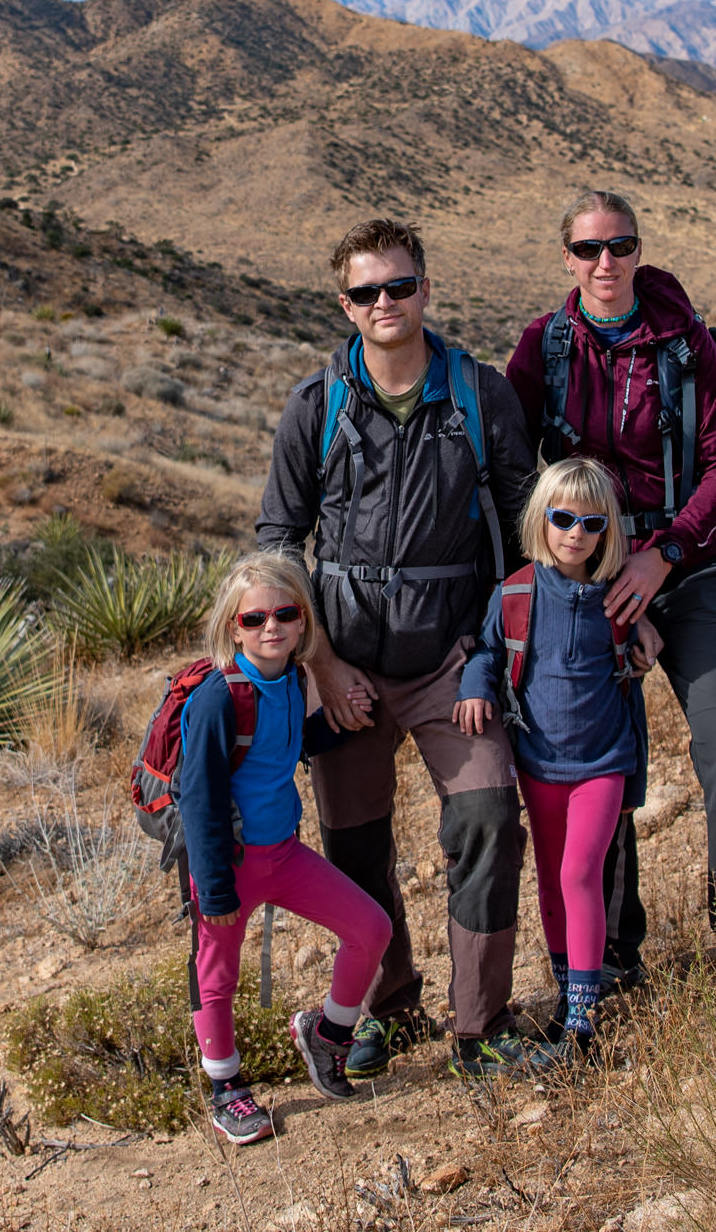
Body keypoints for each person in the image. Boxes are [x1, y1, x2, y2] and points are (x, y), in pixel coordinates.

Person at [257, 218, 549, 1079]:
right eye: (366, 292)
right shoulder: (316, 407)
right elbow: (279, 544)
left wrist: (490, 654)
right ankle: (388, 1008)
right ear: (344, 305)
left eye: (400, 285)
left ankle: (480, 1025)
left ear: (426, 288)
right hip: (345, 665)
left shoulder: (479, 396)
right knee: (356, 850)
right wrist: (320, 662)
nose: (386, 303)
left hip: (454, 657)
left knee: (489, 817)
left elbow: (525, 526)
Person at [503, 189, 716, 990]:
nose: (605, 263)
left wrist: (662, 553)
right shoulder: (546, 348)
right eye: (589, 249)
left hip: (688, 571)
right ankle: (615, 953)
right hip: (588, 584)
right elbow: (514, 466)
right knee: (601, 759)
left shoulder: (683, 342)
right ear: (567, 257)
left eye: (619, 246)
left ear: (638, 250)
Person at [180, 550, 392, 1145]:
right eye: (253, 619)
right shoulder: (220, 698)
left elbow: (287, 744)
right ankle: (227, 1088)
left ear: (303, 624)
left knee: (371, 929)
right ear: (232, 626)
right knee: (217, 976)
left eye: (284, 613)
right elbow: (198, 800)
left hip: (286, 857)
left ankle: (326, 1035)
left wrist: (340, 720)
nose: (269, 627)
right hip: (232, 865)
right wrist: (215, 885)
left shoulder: (294, 681)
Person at [457, 458, 649, 1067]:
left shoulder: (618, 594)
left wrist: (644, 630)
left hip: (603, 762)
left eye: (591, 523)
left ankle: (584, 1023)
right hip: (538, 763)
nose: (575, 533)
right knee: (550, 883)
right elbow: (487, 651)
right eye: (563, 518)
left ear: (606, 530)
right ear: (541, 519)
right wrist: (473, 686)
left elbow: (642, 642)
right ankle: (571, 994)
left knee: (579, 876)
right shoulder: (515, 591)